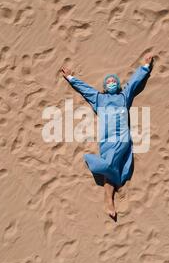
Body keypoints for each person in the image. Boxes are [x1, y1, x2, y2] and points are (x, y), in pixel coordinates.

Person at [61, 54, 154, 220]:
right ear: (105, 86)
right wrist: (70, 77)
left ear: (117, 85)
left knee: (110, 164)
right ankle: (110, 193)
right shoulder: (99, 99)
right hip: (106, 140)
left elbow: (134, 82)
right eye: (108, 82)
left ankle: (108, 195)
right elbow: (85, 88)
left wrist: (145, 67)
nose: (111, 83)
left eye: (114, 81)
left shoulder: (124, 96)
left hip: (123, 138)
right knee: (112, 168)